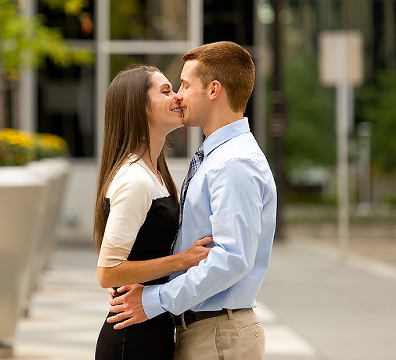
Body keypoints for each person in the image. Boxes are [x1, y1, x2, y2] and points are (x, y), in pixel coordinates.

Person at [106, 42, 278, 360]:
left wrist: (154, 299)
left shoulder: (234, 162)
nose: (179, 96)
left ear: (213, 90)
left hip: (218, 335)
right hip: (204, 332)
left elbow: (231, 258)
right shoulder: (216, 157)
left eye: (185, 85)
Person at [94, 65, 213, 360]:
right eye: (166, 91)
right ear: (139, 107)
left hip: (152, 327)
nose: (178, 97)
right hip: (132, 341)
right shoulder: (134, 179)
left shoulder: (154, 173)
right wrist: (183, 261)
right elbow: (108, 272)